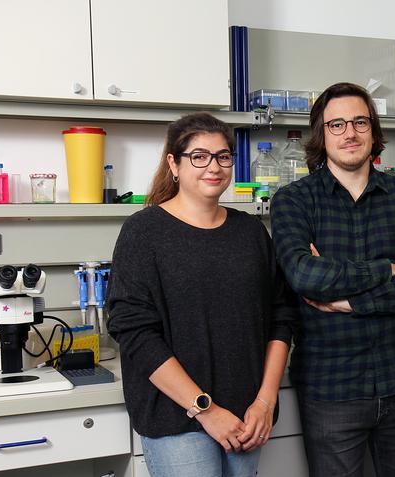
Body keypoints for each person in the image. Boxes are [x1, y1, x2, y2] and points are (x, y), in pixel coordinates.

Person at [270, 82, 395, 477]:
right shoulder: (294, 200)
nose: (349, 133)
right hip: (331, 388)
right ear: (321, 133)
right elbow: (303, 274)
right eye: (336, 125)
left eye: (359, 122)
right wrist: (388, 268)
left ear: (373, 130)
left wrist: (350, 301)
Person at [107, 112, 297, 477]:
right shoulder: (143, 233)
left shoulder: (251, 233)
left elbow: (281, 317)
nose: (214, 167)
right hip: (177, 418)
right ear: (173, 164)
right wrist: (206, 410)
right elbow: (135, 333)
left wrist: (265, 402)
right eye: (199, 156)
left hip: (246, 418)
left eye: (223, 156)